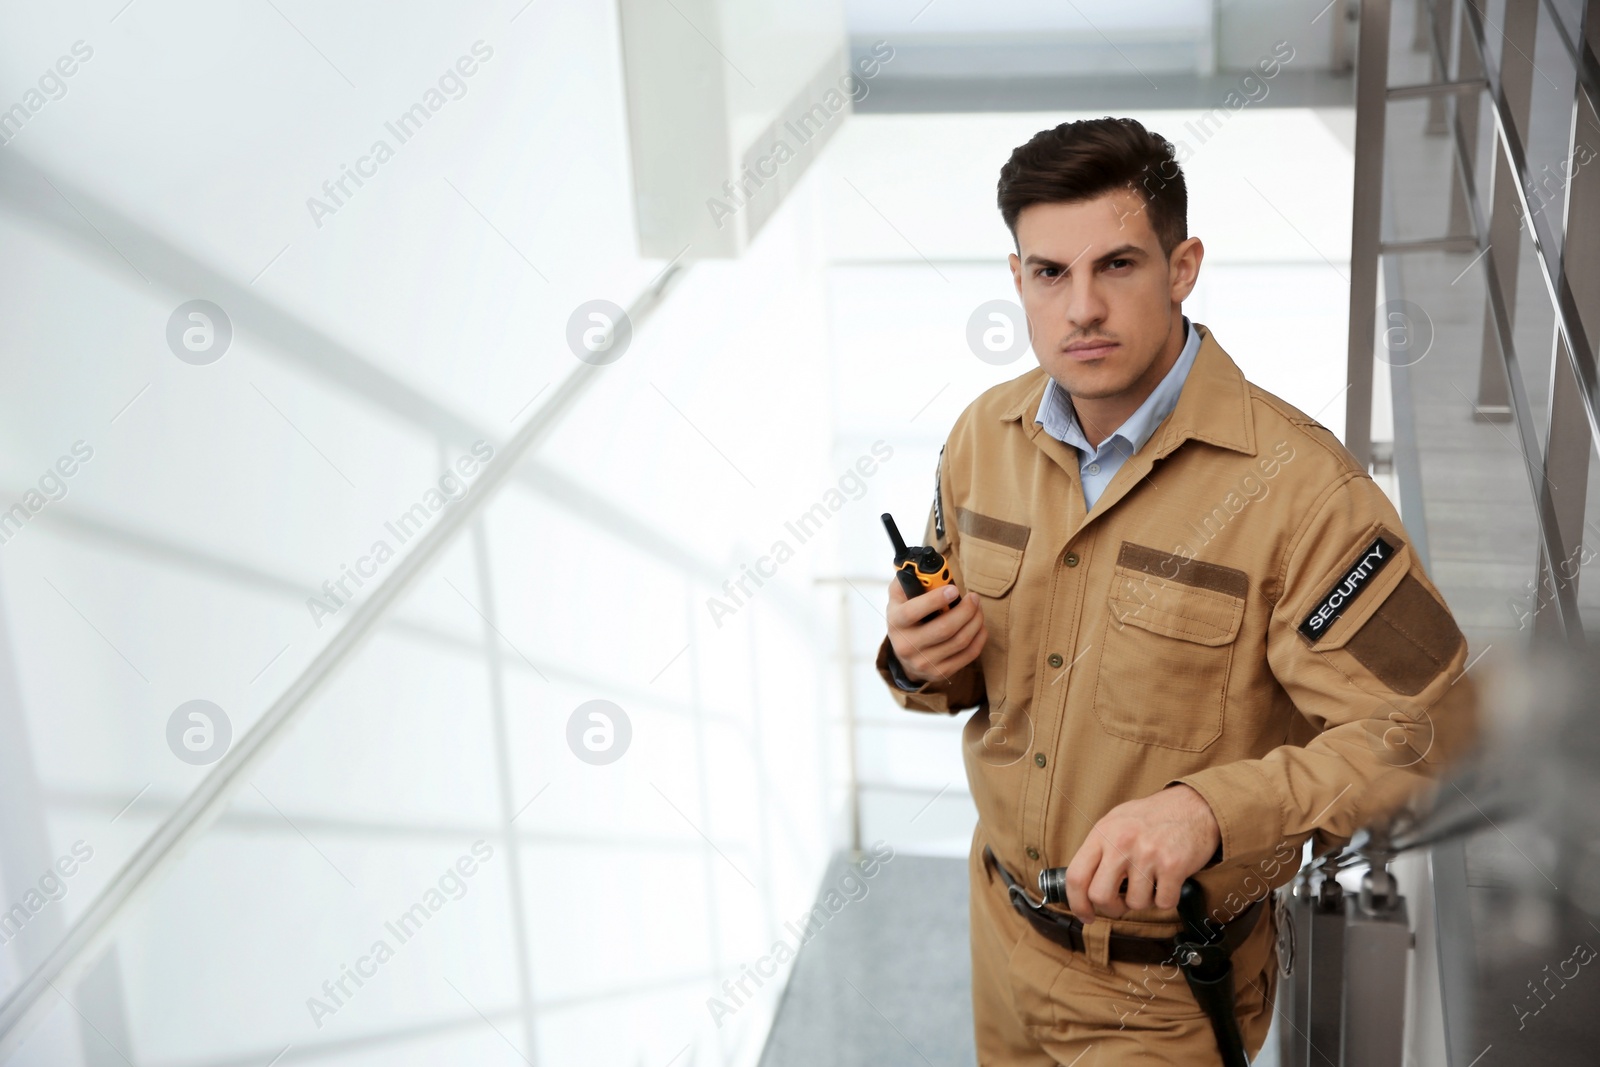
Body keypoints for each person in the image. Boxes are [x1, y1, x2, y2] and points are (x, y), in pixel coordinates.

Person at [876, 117, 1480, 1065]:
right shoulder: (979, 439)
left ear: (1182, 265)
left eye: (1116, 265)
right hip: (999, 928)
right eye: (1049, 273)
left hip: (1162, 997)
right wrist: (917, 660)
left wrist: (1212, 810)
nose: (1080, 308)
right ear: (1017, 280)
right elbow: (966, 681)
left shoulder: (1299, 491)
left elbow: (1431, 726)